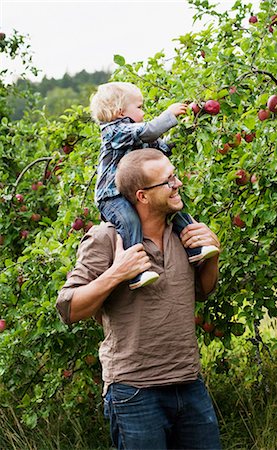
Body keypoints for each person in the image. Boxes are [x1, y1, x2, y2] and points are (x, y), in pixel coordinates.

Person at [56, 149, 222, 450]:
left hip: (189, 382)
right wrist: (117, 273)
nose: (178, 184)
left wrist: (212, 256)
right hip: (134, 391)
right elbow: (68, 307)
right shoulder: (107, 238)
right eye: (168, 181)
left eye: (175, 175)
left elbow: (201, 292)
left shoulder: (182, 231)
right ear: (142, 196)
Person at [90, 81, 219, 290]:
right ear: (120, 111)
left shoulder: (139, 136)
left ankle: (195, 248)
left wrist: (191, 123)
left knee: (175, 206)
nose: (144, 112)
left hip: (135, 191)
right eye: (139, 107)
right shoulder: (116, 131)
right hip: (112, 195)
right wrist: (170, 115)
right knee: (130, 222)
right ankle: (136, 270)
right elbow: (150, 131)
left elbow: (164, 146)